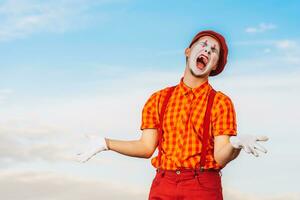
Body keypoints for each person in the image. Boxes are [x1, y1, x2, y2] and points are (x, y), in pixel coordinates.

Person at [76, 30, 269, 200]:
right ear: (188, 51)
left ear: (215, 65)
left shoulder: (221, 102)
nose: (207, 50)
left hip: (202, 187)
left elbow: (220, 156)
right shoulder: (159, 99)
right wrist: (105, 143)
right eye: (203, 45)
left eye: (214, 50)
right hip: (163, 184)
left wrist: (235, 145)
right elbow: (145, 147)